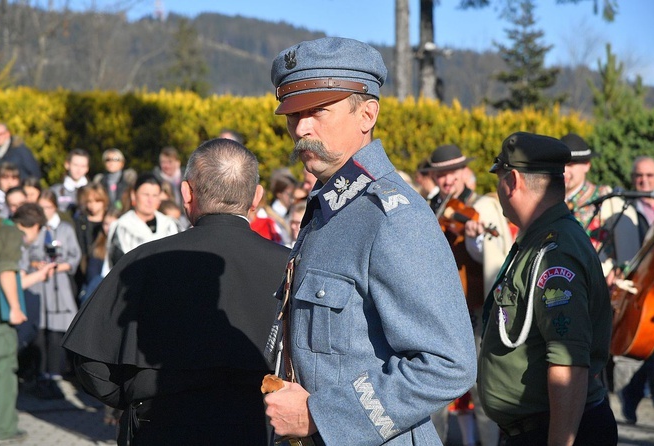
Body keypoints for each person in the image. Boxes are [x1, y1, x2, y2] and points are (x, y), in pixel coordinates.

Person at [263, 37, 476, 445]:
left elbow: (448, 364)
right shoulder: (331, 208)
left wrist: (318, 416)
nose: (301, 128)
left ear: (367, 113)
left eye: (317, 111)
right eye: (293, 114)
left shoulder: (392, 217)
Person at [62, 138, 291, 445]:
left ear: (186, 193)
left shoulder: (142, 261)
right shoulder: (290, 267)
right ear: (257, 196)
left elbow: (89, 358)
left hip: (158, 425)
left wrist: (133, 396)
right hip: (257, 427)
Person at [478, 132, 616, 445]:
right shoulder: (541, 240)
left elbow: (568, 363)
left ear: (512, 180)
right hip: (538, 429)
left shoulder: (554, 250)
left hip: (552, 431)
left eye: (499, 177)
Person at [426, 144, 500, 446]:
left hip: (472, 310)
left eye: (451, 174)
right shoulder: (427, 206)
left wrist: (476, 237)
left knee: (483, 388)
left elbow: (486, 257)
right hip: (436, 312)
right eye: (441, 175)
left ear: (462, 173)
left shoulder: (477, 208)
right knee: (433, 391)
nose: (447, 181)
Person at [0, 203, 50, 444]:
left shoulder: (0, 227)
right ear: (34, 226)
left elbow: (10, 279)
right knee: (3, 366)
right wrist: (14, 308)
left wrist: (38, 275)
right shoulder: (13, 234)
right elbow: (5, 273)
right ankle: (5, 431)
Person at [24, 190, 81, 398]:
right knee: (40, 330)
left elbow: (75, 255)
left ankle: (55, 375)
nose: (44, 212)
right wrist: (35, 264)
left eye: (47, 207)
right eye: (40, 207)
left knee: (57, 330)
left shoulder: (65, 229)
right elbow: (26, 254)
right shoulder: (36, 229)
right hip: (39, 283)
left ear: (55, 207)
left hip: (58, 283)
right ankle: (41, 375)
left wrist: (60, 266)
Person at [561, 133, 640, 277]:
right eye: (561, 164)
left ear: (587, 165)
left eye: (571, 164)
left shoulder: (609, 201)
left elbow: (629, 260)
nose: (565, 170)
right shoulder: (547, 202)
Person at [617, 155, 654, 425]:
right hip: (644, 294)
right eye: (638, 176)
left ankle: (631, 394)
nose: (643, 181)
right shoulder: (626, 213)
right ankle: (630, 397)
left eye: (649, 176)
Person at [102, 173, 178, 273]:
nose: (150, 200)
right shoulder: (122, 227)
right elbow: (116, 266)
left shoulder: (170, 225)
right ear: (134, 195)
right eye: (146, 195)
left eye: (155, 195)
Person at [50, 148, 90, 215]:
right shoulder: (55, 191)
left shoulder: (93, 191)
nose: (79, 169)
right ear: (67, 165)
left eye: (83, 166)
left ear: (87, 168)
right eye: (75, 165)